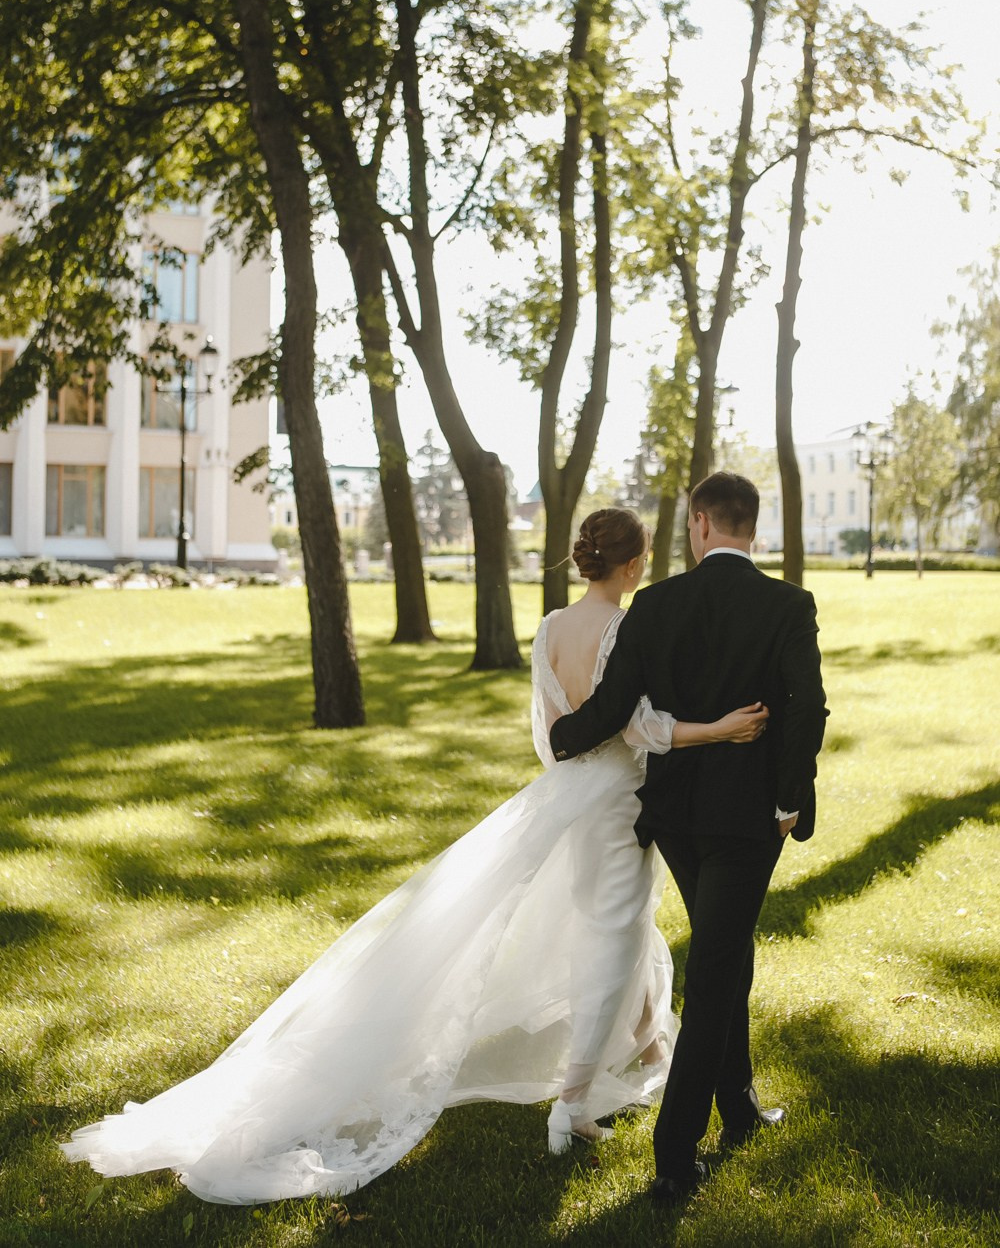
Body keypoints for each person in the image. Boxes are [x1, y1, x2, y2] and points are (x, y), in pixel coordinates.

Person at [62, 506, 767, 1206]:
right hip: (618, 799)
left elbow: (548, 728)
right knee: (612, 940)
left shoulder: (552, 627)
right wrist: (720, 730)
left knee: (617, 930)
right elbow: (638, 725)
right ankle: (572, 1104)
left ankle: (655, 1057)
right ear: (637, 563)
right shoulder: (627, 627)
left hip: (569, 797)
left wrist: (565, 788)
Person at [550, 473, 828, 1208]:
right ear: (751, 527)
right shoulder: (788, 604)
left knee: (725, 953)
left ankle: (736, 1106)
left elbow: (614, 704)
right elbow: (807, 710)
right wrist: (789, 802)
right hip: (746, 823)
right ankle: (675, 1160)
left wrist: (563, 734)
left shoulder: (656, 601)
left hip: (673, 817)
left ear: (700, 524)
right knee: (716, 975)